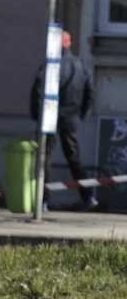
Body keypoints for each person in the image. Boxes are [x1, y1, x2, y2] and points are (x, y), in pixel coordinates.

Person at [30, 29, 97, 210]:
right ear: (68, 43)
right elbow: (90, 93)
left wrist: (37, 116)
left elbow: (37, 92)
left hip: (50, 117)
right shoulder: (81, 64)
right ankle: (88, 197)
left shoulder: (50, 64)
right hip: (72, 118)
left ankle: (43, 201)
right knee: (74, 158)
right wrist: (80, 114)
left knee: (45, 158)